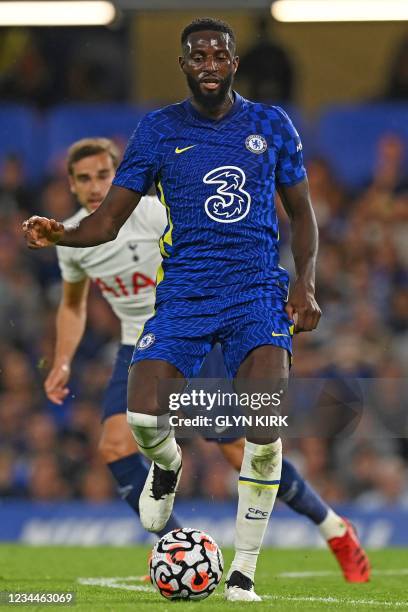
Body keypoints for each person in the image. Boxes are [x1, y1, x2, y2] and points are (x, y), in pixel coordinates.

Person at [22, 18, 367, 600]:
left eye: (219, 55)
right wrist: (60, 236)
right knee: (138, 424)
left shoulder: (271, 124)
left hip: (256, 293)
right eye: (197, 56)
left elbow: (303, 214)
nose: (209, 64)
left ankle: (248, 573)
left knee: (257, 433)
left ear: (234, 63)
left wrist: (305, 284)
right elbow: (106, 224)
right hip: (184, 298)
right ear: (183, 64)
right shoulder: (158, 130)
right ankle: (168, 465)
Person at [43, 137, 181, 538]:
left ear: (118, 175)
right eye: (83, 178)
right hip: (135, 346)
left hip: (187, 334)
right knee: (114, 447)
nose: (94, 186)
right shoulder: (70, 238)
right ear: (71, 185)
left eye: (103, 175)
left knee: (231, 446)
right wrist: (62, 360)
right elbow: (72, 305)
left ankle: (321, 523)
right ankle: (177, 544)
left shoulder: (154, 214)